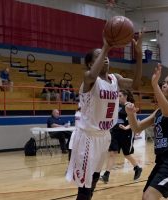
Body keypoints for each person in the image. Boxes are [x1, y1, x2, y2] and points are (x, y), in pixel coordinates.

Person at [65, 31, 143, 200]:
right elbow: (92, 74)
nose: (105, 57)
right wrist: (106, 46)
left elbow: (136, 84)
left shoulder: (116, 79)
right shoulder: (89, 79)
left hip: (104, 136)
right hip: (87, 137)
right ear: (90, 63)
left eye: (106, 55)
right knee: (84, 188)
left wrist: (138, 55)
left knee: (93, 180)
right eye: (99, 56)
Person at [125, 63, 168, 200]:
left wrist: (154, 85)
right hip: (161, 160)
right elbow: (137, 128)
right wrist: (130, 114)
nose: (164, 85)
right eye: (163, 83)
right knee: (145, 197)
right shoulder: (158, 112)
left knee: (149, 197)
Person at [100, 89, 142, 184]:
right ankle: (106, 175)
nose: (117, 97)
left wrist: (127, 127)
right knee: (112, 152)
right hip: (115, 131)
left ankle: (137, 168)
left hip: (126, 132)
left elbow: (134, 121)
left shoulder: (130, 105)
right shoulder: (115, 105)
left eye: (120, 95)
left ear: (125, 96)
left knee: (126, 154)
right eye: (117, 96)